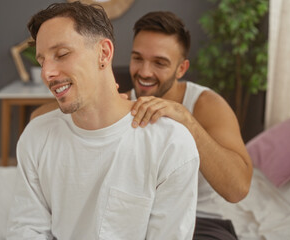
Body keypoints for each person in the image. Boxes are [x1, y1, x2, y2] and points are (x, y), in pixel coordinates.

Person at [31, 10, 253, 240]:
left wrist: (187, 120)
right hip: (137, 216)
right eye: (138, 58)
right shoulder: (127, 101)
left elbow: (237, 189)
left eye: (159, 63)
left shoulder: (206, 105)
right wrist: (96, 101)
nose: (145, 72)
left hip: (203, 221)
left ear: (181, 69)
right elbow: (38, 119)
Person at [7, 2, 200, 239]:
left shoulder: (171, 144)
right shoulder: (36, 137)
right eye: (42, 60)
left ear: (104, 53)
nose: (46, 73)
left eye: (62, 54)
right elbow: (26, 229)